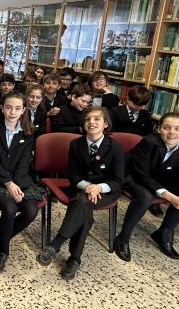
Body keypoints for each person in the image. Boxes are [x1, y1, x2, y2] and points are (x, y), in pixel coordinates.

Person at [38, 107, 124, 280]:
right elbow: (72, 174)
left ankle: (57, 244)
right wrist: (88, 187)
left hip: (106, 191)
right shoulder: (76, 144)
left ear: (106, 124)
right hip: (81, 188)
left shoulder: (115, 147)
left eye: (97, 119)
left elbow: (118, 179)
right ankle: (75, 258)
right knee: (84, 208)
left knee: (82, 204)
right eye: (87, 119)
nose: (91, 122)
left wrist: (99, 187)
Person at [115, 113, 179, 262]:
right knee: (145, 197)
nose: (172, 132)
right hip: (133, 176)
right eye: (166, 128)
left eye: (177, 129)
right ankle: (123, 238)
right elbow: (142, 175)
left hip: (160, 177)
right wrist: (170, 196)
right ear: (159, 129)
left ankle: (163, 234)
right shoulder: (149, 142)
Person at [0, 91, 41, 273]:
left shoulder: (28, 131)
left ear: (23, 111)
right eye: (8, 107)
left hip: (19, 178)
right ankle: (3, 251)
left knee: (31, 210)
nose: (12, 112)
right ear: (2, 108)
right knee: (10, 208)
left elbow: (24, 162)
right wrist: (8, 183)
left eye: (17, 108)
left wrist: (17, 184)